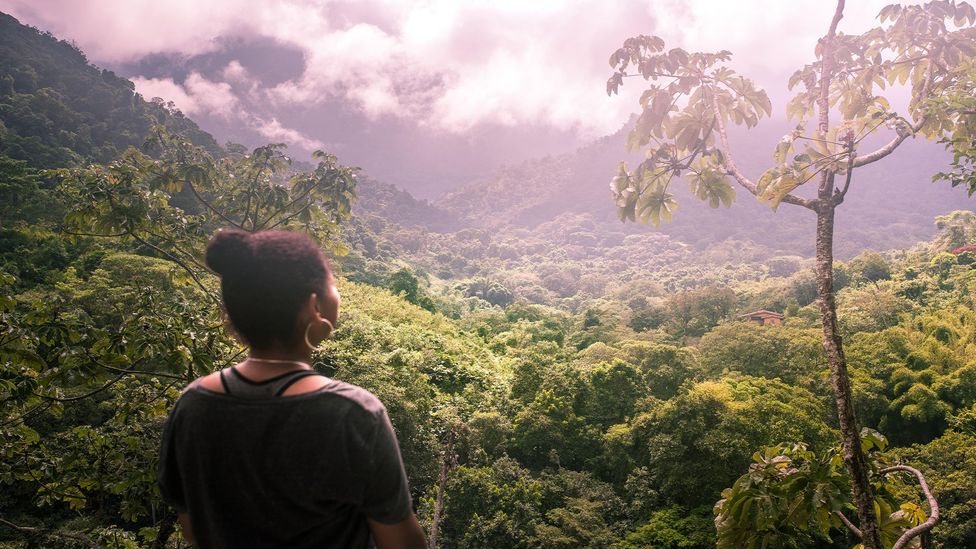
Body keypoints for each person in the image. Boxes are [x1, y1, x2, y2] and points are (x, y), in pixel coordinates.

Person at [157, 229, 428, 549]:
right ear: (315, 307)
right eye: (333, 283)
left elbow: (191, 528)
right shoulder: (352, 414)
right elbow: (400, 543)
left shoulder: (193, 404)